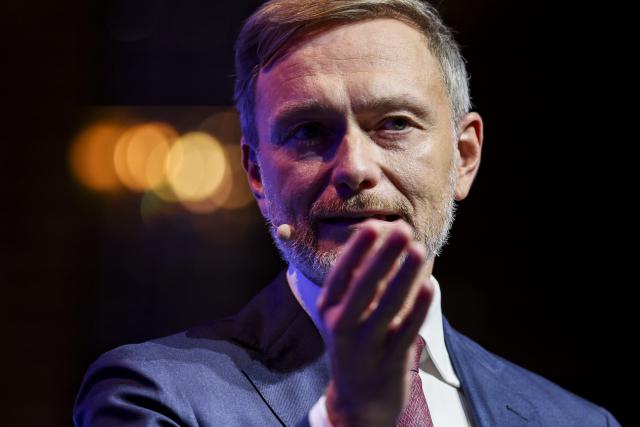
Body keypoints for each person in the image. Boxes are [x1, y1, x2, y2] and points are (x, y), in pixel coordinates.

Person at [73, 1, 620, 426]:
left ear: (465, 158)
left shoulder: (575, 420)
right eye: (310, 131)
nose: (355, 167)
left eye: (395, 124)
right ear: (257, 174)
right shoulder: (150, 397)